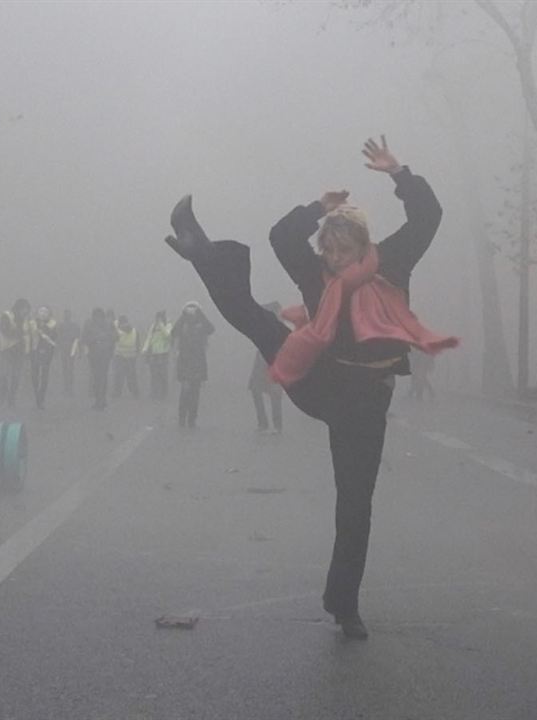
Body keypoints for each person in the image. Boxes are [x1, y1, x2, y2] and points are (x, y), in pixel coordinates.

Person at [163, 136, 454, 639]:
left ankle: (345, 605)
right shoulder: (315, 273)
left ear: (364, 247)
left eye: (346, 251)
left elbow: (429, 214)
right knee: (256, 319)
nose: (338, 260)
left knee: (355, 503)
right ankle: (200, 250)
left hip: (366, 400)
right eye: (331, 252)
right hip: (321, 379)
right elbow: (281, 237)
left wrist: (398, 173)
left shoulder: (394, 261)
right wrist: (318, 208)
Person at [171, 301, 215, 428]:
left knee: (195, 393)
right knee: (185, 391)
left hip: (198, 362)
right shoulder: (183, 324)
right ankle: (181, 418)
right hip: (184, 361)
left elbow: (211, 329)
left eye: (193, 312)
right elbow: (174, 332)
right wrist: (183, 315)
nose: (192, 315)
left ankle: (192, 419)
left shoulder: (201, 325)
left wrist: (200, 313)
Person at [249, 302, 285, 434]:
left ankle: (277, 425)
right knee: (256, 391)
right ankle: (263, 423)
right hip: (261, 364)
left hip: (274, 364)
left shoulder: (280, 329)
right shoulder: (263, 327)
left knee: (275, 395)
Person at [0, 298, 30, 408]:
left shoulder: (25, 319)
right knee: (4, 375)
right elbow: (4, 330)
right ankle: (2, 397)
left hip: (19, 351)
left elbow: (27, 334)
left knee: (16, 376)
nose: (25, 312)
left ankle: (12, 399)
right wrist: (18, 333)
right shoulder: (7, 316)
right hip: (7, 349)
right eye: (24, 309)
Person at [81, 307, 115, 410]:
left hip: (101, 354)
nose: (98, 319)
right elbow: (84, 339)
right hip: (97, 355)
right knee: (99, 378)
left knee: (99, 377)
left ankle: (100, 400)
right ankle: (100, 399)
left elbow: (115, 337)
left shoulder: (107, 324)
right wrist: (96, 339)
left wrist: (105, 340)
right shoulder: (91, 324)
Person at [26, 305, 58, 409]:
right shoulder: (31, 324)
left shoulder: (53, 324)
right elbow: (28, 337)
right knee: (34, 375)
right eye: (41, 311)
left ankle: (41, 398)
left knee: (44, 376)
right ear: (37, 313)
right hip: (34, 351)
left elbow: (55, 338)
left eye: (45, 311)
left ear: (49, 314)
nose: (43, 313)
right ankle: (37, 395)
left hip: (47, 352)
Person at [142, 310, 173, 400]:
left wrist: (161, 326)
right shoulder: (153, 326)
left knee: (163, 374)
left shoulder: (168, 325)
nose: (158, 320)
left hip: (163, 354)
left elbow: (168, 336)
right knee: (154, 374)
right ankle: (154, 393)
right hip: (153, 353)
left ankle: (163, 393)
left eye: (159, 318)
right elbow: (149, 338)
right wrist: (145, 349)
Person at [111, 314, 140, 399]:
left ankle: (117, 393)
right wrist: (137, 353)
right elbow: (138, 344)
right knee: (132, 376)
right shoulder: (135, 331)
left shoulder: (117, 331)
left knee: (118, 376)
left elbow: (113, 340)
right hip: (131, 356)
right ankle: (135, 392)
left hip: (119, 356)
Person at [56, 308, 81, 396]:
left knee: (70, 368)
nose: (67, 316)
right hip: (64, 349)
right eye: (66, 314)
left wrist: (79, 350)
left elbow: (78, 338)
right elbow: (58, 338)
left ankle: (69, 387)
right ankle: (66, 387)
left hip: (71, 349)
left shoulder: (74, 325)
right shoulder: (61, 325)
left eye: (68, 314)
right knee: (65, 368)